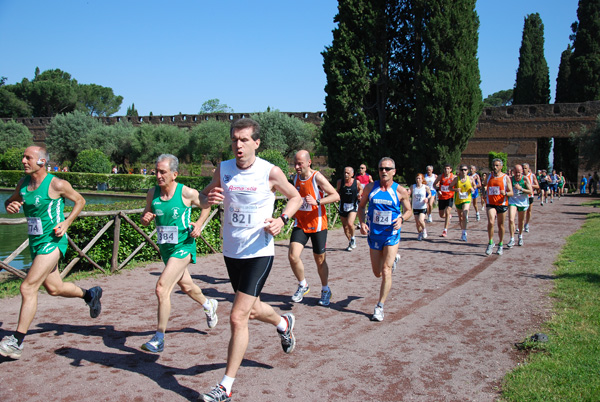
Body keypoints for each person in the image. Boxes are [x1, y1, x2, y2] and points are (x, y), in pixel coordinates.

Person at [199, 118, 302, 402]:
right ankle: (284, 324)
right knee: (253, 309)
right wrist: (209, 198)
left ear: (257, 142)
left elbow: (296, 198)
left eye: (244, 140)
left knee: (237, 316)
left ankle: (226, 386)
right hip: (232, 251)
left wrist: (282, 219)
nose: (238, 145)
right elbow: (204, 197)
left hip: (259, 251)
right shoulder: (224, 169)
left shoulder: (270, 171)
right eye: (234, 140)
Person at [0, 146, 102, 360]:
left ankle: (16, 342)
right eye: (23, 157)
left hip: (53, 242)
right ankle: (89, 294)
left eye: (28, 157)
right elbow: (10, 201)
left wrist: (66, 222)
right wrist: (11, 204)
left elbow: (80, 200)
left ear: (42, 161)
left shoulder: (56, 184)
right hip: (36, 243)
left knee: (28, 287)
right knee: (55, 289)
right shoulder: (23, 184)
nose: (23, 161)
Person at [139, 154, 218, 354]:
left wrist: (199, 224)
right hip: (165, 248)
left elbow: (206, 204)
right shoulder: (152, 193)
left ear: (174, 174)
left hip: (184, 246)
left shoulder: (186, 193)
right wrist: (145, 219)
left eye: (162, 172)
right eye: (156, 171)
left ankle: (159, 337)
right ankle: (208, 304)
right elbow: (145, 217)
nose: (158, 175)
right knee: (187, 286)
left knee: (161, 288)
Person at [358, 157, 412, 321]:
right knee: (377, 272)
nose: (384, 171)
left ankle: (379, 306)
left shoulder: (400, 191)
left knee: (386, 270)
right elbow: (361, 207)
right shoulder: (369, 188)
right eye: (381, 168)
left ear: (394, 172)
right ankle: (393, 260)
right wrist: (361, 223)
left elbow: (409, 210)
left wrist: (402, 219)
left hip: (391, 234)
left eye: (387, 169)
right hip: (374, 234)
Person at [288, 150, 340, 306]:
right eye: (295, 163)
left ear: (308, 162)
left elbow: (336, 196)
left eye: (300, 163)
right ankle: (303, 284)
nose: (296, 166)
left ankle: (325, 289)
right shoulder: (295, 178)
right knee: (293, 256)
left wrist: (317, 202)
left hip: (317, 225)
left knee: (320, 260)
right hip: (301, 224)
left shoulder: (317, 177)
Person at [484, 158, 513, 256]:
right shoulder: (489, 176)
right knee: (491, 222)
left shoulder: (505, 177)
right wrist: (484, 190)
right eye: (494, 165)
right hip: (490, 203)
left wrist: (505, 193)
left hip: (502, 203)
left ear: (501, 166)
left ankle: (500, 244)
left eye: (497, 165)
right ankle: (490, 242)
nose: (495, 167)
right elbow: (484, 185)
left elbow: (511, 192)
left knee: (501, 225)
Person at [336, 166, 363, 251]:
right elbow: (337, 191)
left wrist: (359, 194)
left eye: (348, 173)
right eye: (344, 172)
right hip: (343, 206)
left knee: (350, 223)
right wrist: (336, 197)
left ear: (352, 174)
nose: (346, 174)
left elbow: (361, 189)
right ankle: (351, 241)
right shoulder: (340, 182)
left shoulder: (356, 182)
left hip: (352, 206)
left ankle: (353, 238)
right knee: (345, 226)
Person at [507, 164, 532, 248]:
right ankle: (512, 238)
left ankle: (520, 236)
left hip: (522, 202)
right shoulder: (510, 179)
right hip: (513, 201)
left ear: (522, 172)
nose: (517, 174)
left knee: (521, 221)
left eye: (519, 172)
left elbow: (530, 191)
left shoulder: (525, 179)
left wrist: (521, 189)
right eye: (516, 172)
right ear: (513, 172)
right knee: (511, 219)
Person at [450, 164, 475, 242]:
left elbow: (475, 186)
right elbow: (449, 187)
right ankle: (463, 231)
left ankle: (464, 233)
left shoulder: (470, 178)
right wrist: (455, 189)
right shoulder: (456, 179)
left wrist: (472, 189)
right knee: (460, 218)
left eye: (465, 170)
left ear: (467, 171)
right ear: (459, 171)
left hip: (467, 199)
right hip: (458, 200)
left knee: (464, 214)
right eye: (462, 170)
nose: (463, 171)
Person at [432, 164, 455, 237]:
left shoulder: (454, 177)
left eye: (448, 169)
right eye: (445, 169)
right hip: (442, 197)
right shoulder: (440, 176)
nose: (446, 170)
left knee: (447, 211)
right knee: (441, 215)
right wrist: (438, 190)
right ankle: (448, 217)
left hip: (450, 196)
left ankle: (445, 230)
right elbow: (434, 184)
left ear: (450, 170)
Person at [410, 173, 431, 240]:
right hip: (415, 207)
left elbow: (430, 194)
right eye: (417, 178)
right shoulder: (413, 187)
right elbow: (408, 194)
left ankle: (424, 230)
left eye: (419, 178)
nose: (418, 180)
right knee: (417, 223)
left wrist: (427, 198)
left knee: (421, 220)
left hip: (423, 206)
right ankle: (419, 233)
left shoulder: (425, 187)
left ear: (422, 179)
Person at [522, 163, 539, 233]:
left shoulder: (532, 176)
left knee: (529, 211)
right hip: (522, 195)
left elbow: (537, 186)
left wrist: (530, 185)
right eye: (523, 168)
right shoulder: (520, 176)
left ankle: (527, 224)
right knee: (523, 211)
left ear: (528, 169)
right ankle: (521, 225)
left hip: (530, 195)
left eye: (525, 168)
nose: (524, 170)